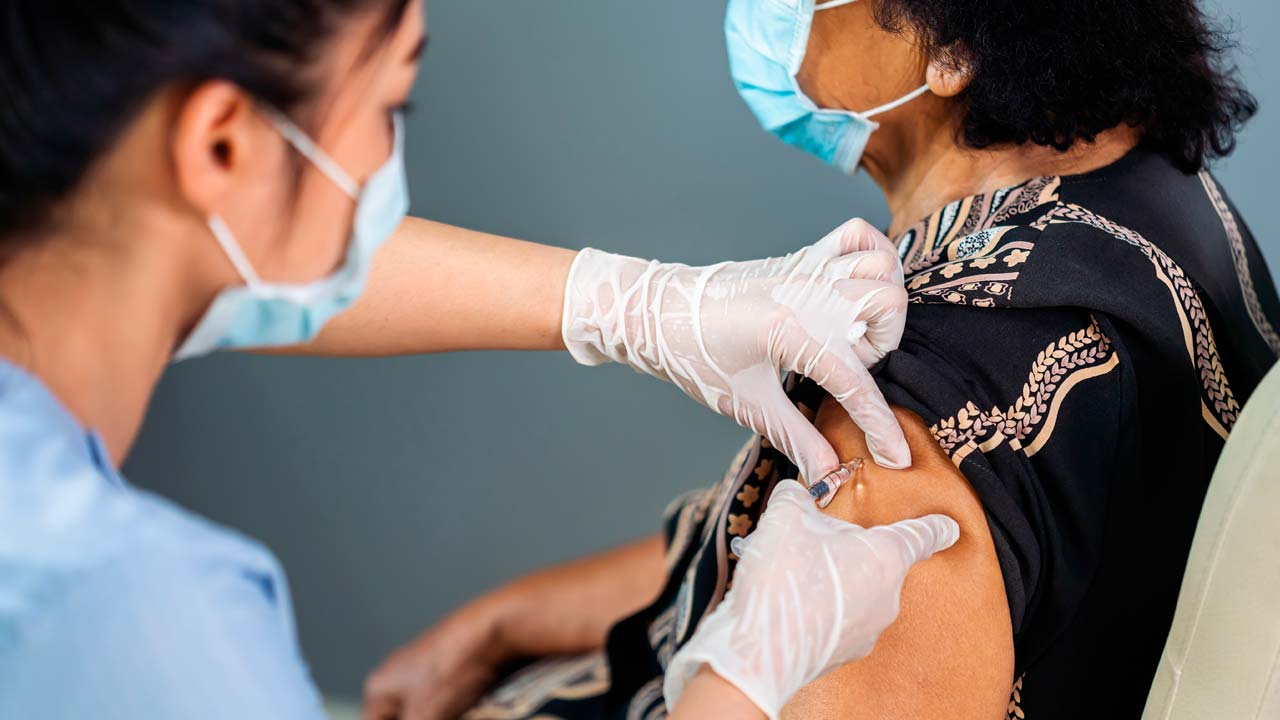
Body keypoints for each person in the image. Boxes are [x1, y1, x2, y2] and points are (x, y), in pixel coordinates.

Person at [0, 0, 953, 718]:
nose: (387, 162)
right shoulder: (133, 623)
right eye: (391, 105)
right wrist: (742, 683)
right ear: (220, 145)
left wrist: (637, 304)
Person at [366, 0, 1280, 718]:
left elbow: (836, 599)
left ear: (954, 47)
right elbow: (757, 563)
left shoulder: (920, 395)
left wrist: (736, 676)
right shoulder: (1159, 197)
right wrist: (501, 624)